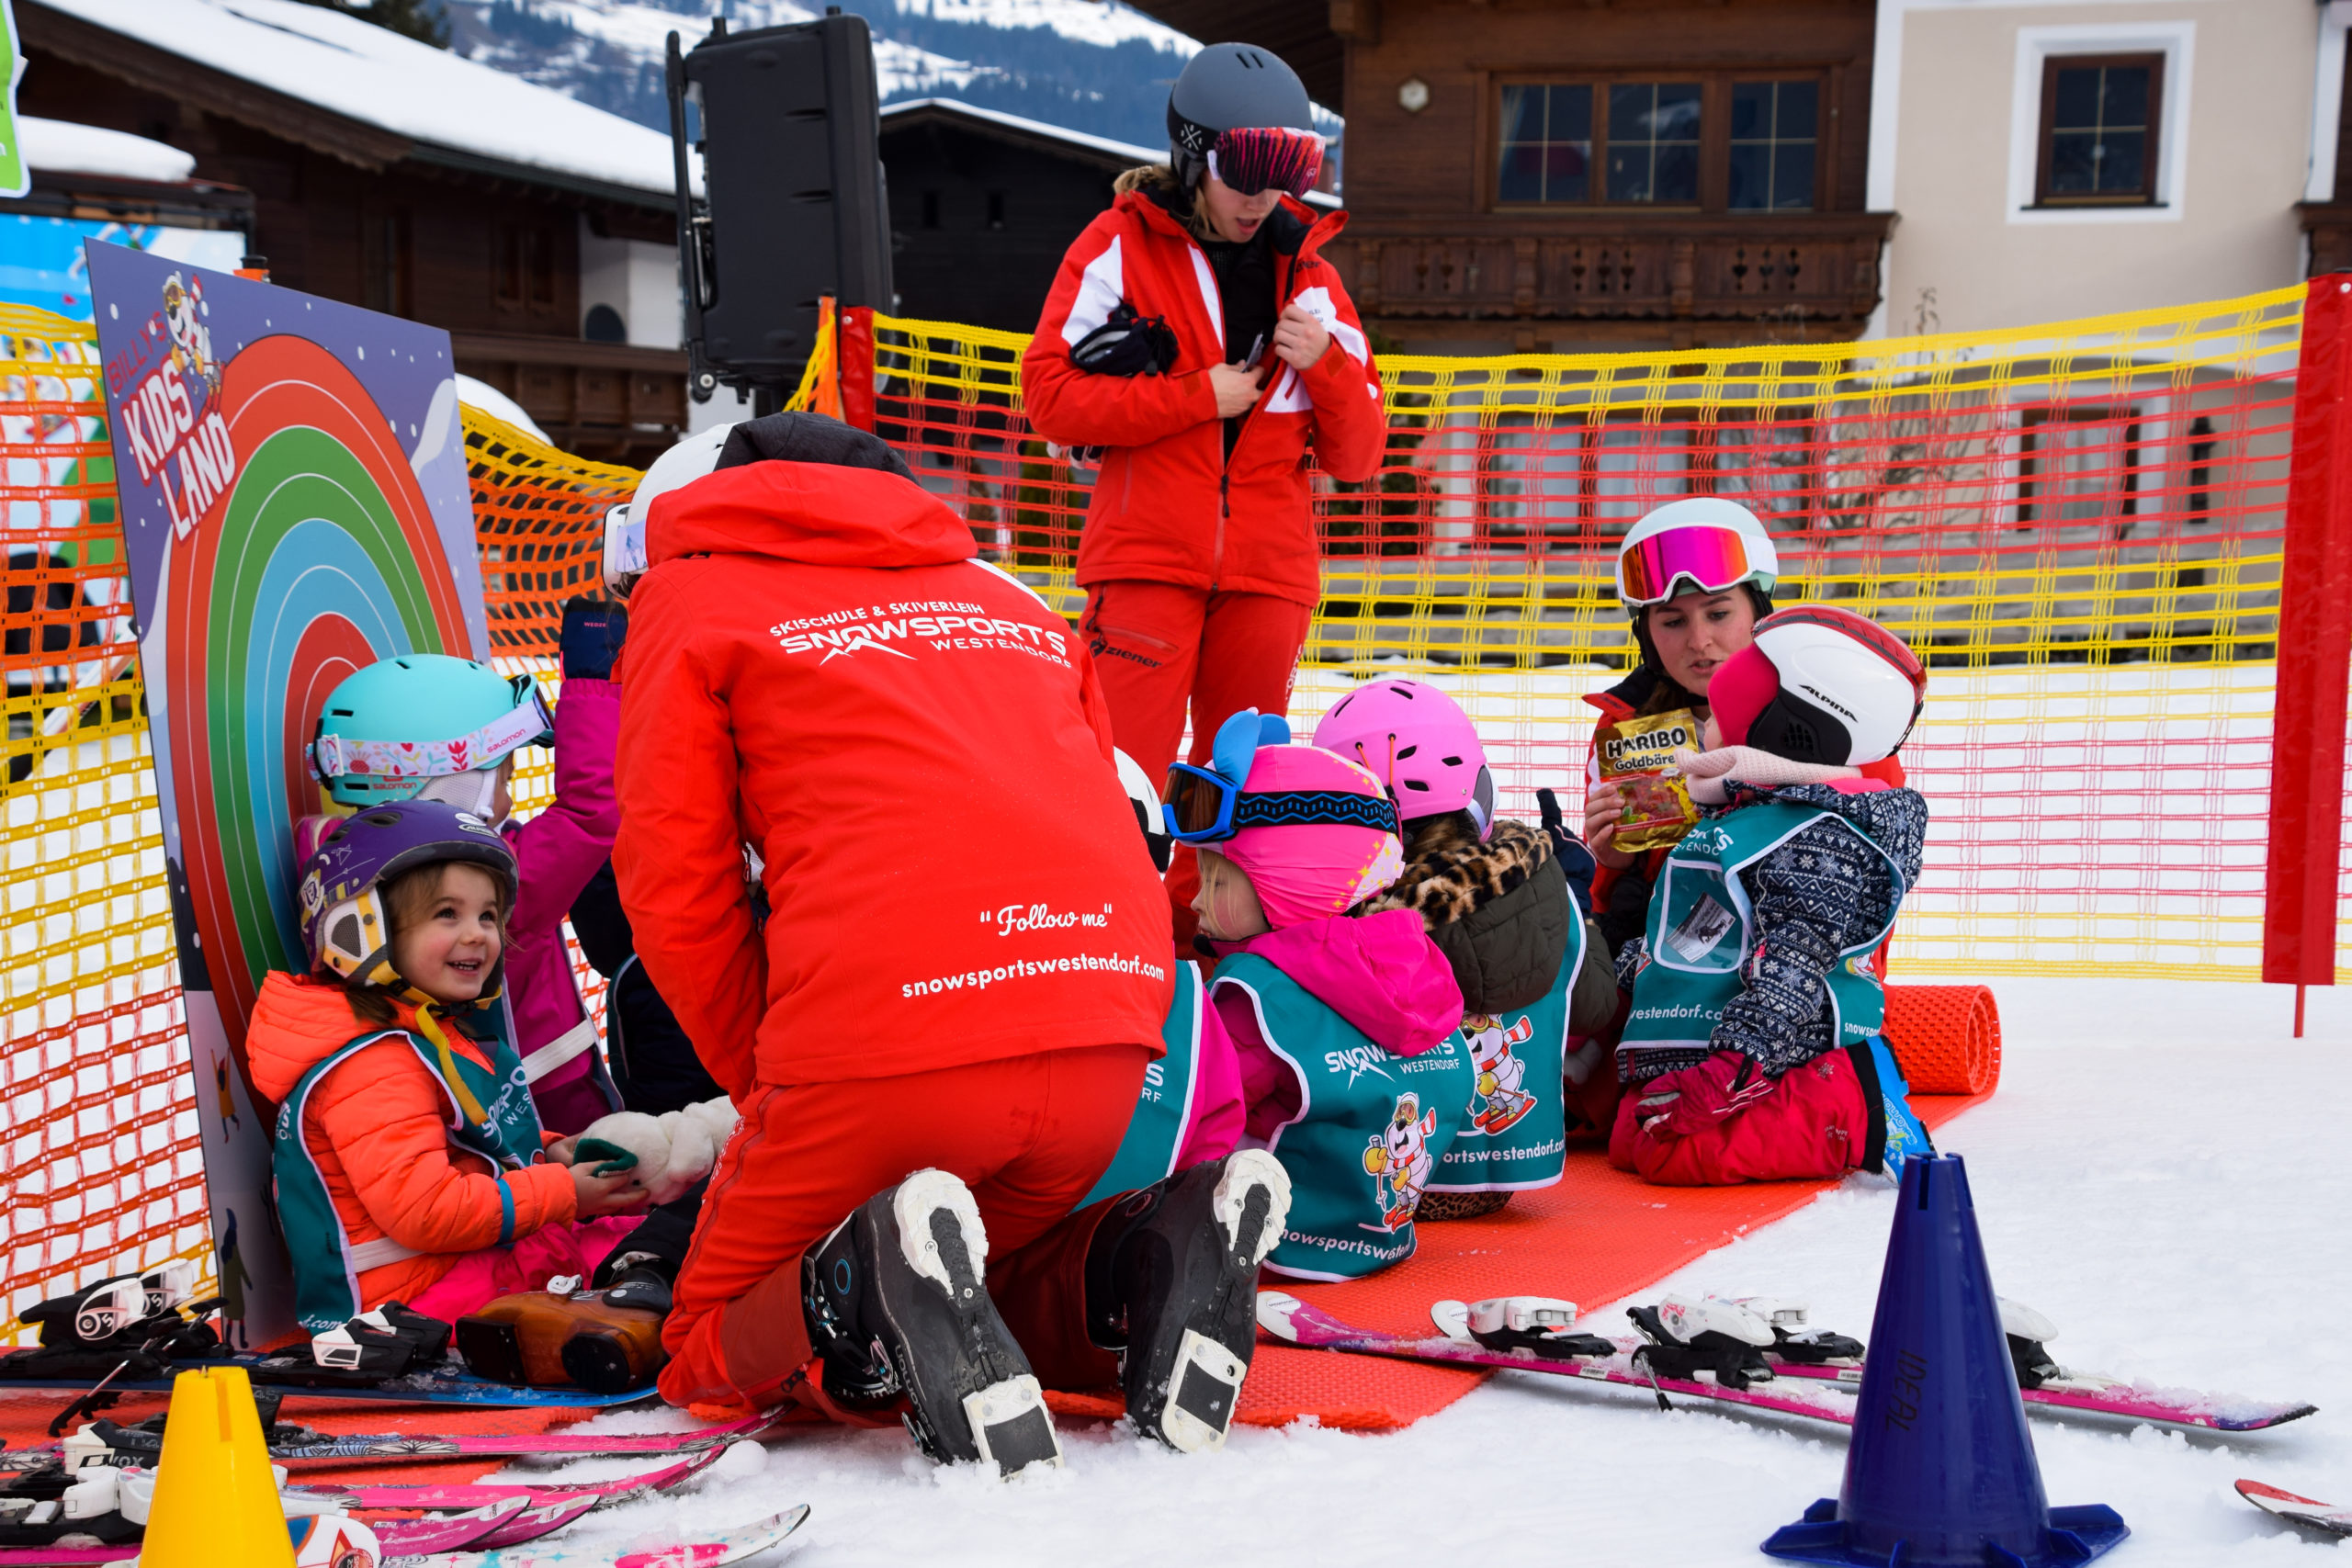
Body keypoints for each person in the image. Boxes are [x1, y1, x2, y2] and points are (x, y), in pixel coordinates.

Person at [610, 411, 1292, 1470]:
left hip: (882, 1042)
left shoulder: (690, 594)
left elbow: (672, 881)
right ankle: (1143, 1251)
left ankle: (863, 1275)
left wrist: (767, 1076)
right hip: (1105, 1028)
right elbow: (1102, 817)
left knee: (707, 1349)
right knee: (984, 1271)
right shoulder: (1006, 600)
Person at [1023, 41, 1386, 948]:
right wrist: (1196, 398)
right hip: (1147, 557)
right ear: (1193, 155)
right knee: (1123, 774)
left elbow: (1360, 453)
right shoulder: (1116, 248)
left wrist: (1329, 368)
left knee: (1237, 778)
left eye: (1289, 167)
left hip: (1267, 572)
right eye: (1244, 167)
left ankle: (1205, 947)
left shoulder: (1315, 279)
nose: (1263, 192)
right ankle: (1108, 944)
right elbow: (1050, 399)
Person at [248, 798, 651, 1334]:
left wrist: (550, 1149)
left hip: (475, 1267)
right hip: (414, 1306)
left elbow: (463, 1144)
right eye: (447, 913)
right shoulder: (373, 1066)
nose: (478, 934)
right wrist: (564, 1191)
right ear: (359, 930)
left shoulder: (437, 1036)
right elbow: (426, 1209)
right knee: (656, 1276)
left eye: (488, 914)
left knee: (663, 1242)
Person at [1609, 606, 1935, 1187]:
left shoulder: (1815, 839)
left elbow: (1791, 969)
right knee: (1630, 1140)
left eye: (1728, 702)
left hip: (1784, 1049)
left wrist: (1732, 1069)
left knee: (1666, 1155)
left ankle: (1855, 1101)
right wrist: (1617, 963)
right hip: (1716, 1034)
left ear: (1776, 726)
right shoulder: (1746, 811)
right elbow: (1702, 934)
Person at [304, 606, 628, 1134]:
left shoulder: (351, 869)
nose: (508, 793)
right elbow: (593, 810)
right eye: (501, 775)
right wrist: (590, 688)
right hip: (547, 1096)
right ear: (452, 782)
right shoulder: (488, 883)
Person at [1172, 713, 1467, 1280]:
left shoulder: (1254, 999)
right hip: (1381, 1230)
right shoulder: (1412, 966)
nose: (1193, 901)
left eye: (1216, 879)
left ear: (1289, 883)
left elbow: (1194, 1117)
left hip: (1267, 1246)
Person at [1317, 679, 1618, 1217]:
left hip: (1391, 1177)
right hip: (1507, 1176)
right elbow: (1596, 1004)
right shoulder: (1545, 878)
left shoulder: (1350, 922)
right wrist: (1581, 909)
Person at [1579, 499, 1909, 957]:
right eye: (1673, 621)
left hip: (1809, 982)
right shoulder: (1626, 726)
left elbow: (1878, 883)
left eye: (1718, 614)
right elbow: (1603, 916)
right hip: (1661, 987)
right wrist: (1612, 865)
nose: (1699, 641)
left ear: (1758, 610)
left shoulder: (1838, 708)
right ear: (1647, 636)